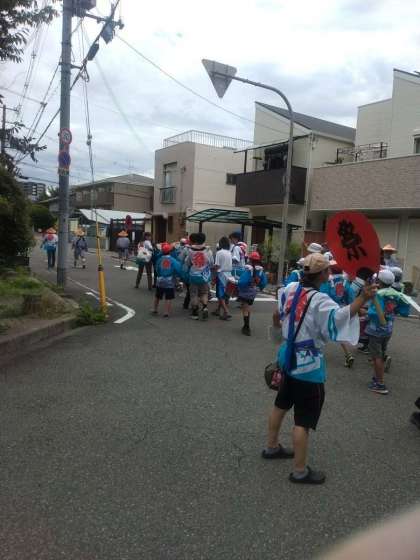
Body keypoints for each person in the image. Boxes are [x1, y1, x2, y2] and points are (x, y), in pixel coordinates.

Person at [262, 253, 377, 484]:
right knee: (303, 420)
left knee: (281, 404)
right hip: (308, 364)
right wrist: (362, 298)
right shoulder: (321, 300)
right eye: (328, 270)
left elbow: (281, 316)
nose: (329, 273)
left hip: (287, 356)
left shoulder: (290, 289)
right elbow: (337, 319)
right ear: (323, 274)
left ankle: (271, 447)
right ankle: (300, 471)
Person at [365, 268, 410, 395]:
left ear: (379, 282)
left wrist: (366, 313)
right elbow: (404, 310)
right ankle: (376, 378)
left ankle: (380, 384)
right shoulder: (395, 294)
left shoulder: (378, 294)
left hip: (376, 330)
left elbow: (374, 313)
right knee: (381, 354)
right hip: (388, 330)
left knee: (376, 357)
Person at [320, 260, 356, 368]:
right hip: (341, 309)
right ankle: (348, 354)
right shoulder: (345, 282)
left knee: (320, 328)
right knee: (339, 332)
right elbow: (350, 295)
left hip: (329, 309)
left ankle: (316, 350)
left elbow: (323, 295)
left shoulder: (328, 282)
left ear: (331, 270)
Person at [184, 232, 214, 320]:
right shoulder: (208, 251)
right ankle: (204, 307)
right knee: (204, 293)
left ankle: (195, 313)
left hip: (193, 275)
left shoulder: (190, 251)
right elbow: (211, 263)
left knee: (194, 294)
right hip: (204, 276)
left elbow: (187, 262)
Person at [237, 251, 267, 336]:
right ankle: (246, 326)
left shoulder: (249, 269)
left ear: (250, 259)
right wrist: (260, 287)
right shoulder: (260, 271)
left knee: (245, 308)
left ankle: (246, 327)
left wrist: (239, 286)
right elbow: (264, 282)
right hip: (253, 292)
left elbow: (242, 282)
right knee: (248, 307)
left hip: (245, 291)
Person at [151, 242, 181, 317]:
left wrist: (159, 275)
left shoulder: (159, 259)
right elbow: (178, 269)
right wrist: (177, 276)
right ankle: (166, 312)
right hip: (169, 280)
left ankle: (155, 309)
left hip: (160, 280)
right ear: (170, 251)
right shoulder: (173, 260)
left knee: (157, 296)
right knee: (168, 297)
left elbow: (157, 269)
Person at [213, 236, 233, 321]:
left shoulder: (219, 252)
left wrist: (213, 277)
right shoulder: (229, 252)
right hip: (229, 275)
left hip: (221, 275)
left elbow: (217, 266)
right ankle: (219, 310)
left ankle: (226, 311)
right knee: (225, 294)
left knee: (220, 295)